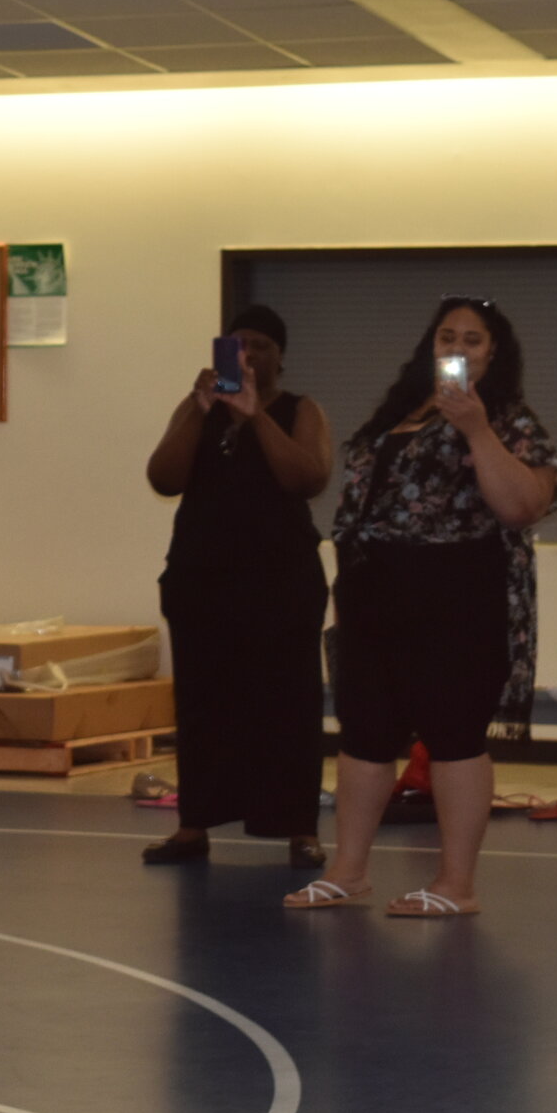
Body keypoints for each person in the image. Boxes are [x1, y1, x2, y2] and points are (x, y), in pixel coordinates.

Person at [289, 298, 557, 919]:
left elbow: (522, 506)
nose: (457, 349)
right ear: (429, 346)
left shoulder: (510, 420)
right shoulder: (399, 414)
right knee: (364, 736)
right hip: (374, 595)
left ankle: (456, 885)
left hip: (458, 596)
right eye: (447, 337)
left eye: (473, 340)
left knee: (453, 735)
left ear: (494, 354)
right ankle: (348, 872)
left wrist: (476, 429)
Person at [142, 305, 331, 868]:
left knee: (290, 705)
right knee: (203, 705)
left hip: (282, 585)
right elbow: (162, 477)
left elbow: (308, 477)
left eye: (261, 346)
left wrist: (254, 417)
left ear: (280, 356)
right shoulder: (198, 407)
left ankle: (299, 828)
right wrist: (200, 413)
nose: (248, 356)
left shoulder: (301, 410)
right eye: (237, 345)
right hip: (203, 581)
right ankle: (194, 825)